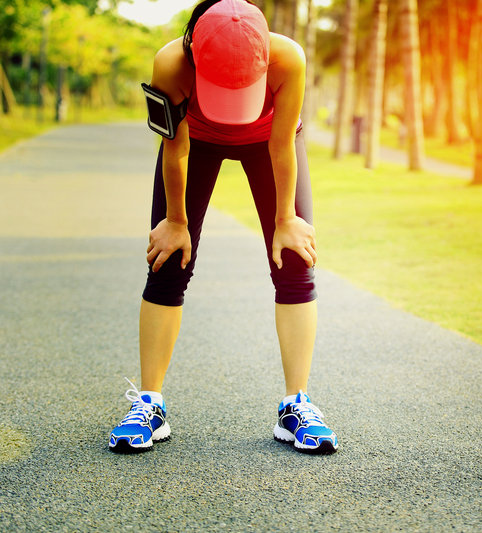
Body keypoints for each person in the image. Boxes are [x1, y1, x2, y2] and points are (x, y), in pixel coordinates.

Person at [108, 0, 337, 455]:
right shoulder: (170, 63)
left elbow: (282, 147)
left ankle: (296, 407)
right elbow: (175, 151)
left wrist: (286, 219)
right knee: (167, 259)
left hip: (268, 140)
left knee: (294, 257)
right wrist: (175, 221)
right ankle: (149, 405)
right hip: (199, 140)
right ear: (194, 52)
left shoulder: (287, 56)